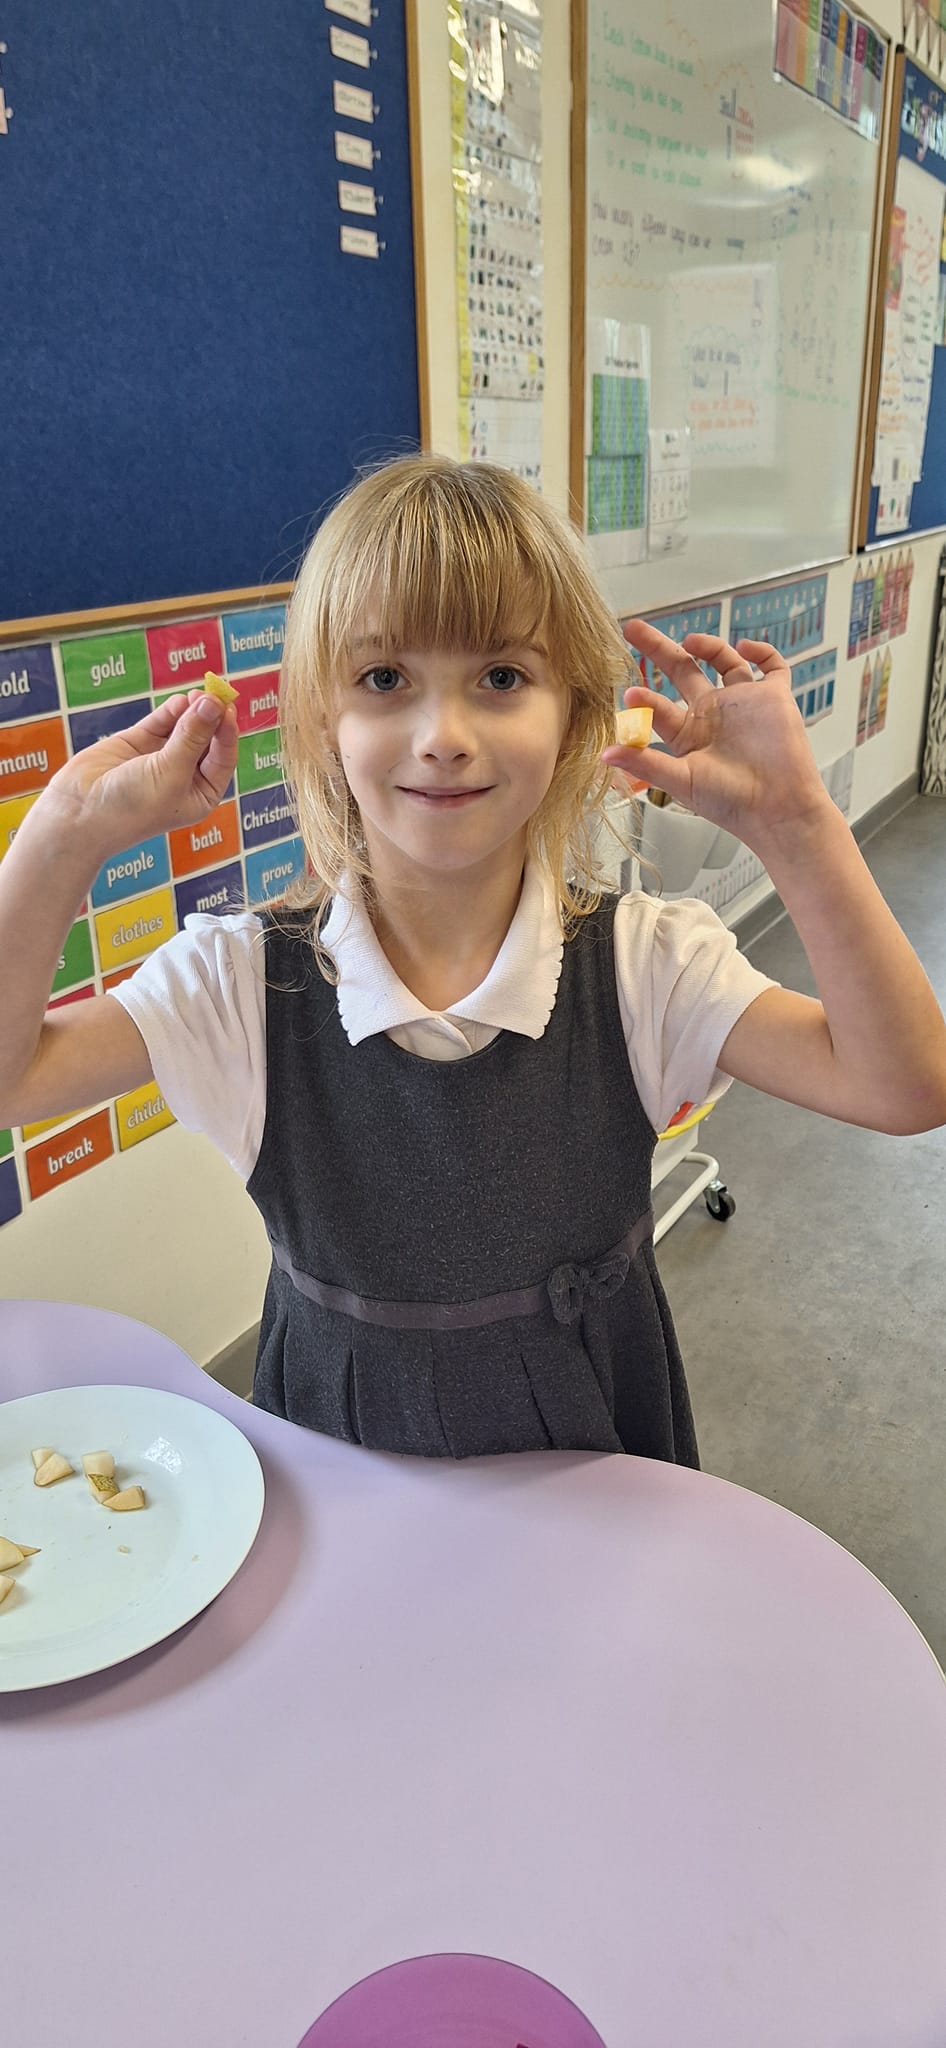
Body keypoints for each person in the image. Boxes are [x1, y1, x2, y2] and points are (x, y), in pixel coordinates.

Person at [2, 456, 945, 1464]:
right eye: (383, 679)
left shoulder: (644, 963)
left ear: (575, 714)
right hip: (345, 1496)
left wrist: (794, 822)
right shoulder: (244, 983)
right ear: (324, 719)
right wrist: (61, 831)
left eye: (500, 677)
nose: (442, 735)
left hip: (595, 1485)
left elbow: (905, 1085)